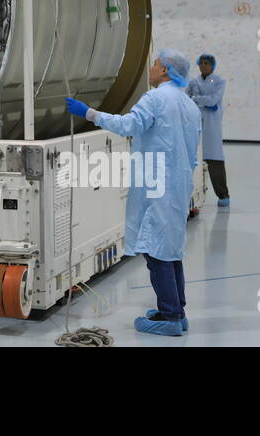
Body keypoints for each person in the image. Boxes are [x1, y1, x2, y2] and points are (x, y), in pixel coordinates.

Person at [66, 49, 201, 337]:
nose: (150, 68)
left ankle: (170, 317)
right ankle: (177, 311)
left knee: (157, 252)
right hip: (178, 184)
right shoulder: (189, 105)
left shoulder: (155, 99)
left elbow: (128, 125)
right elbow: (190, 154)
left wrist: (88, 112)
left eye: (154, 64)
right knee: (171, 249)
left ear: (164, 70)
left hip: (157, 185)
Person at [187, 53, 229, 206]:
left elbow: (213, 100)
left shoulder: (219, 81)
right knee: (193, 158)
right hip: (196, 123)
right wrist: (203, 101)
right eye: (201, 63)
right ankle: (189, 194)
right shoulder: (193, 81)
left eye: (206, 63)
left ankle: (223, 195)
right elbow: (186, 99)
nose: (203, 66)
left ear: (212, 65)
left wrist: (197, 99)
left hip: (212, 125)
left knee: (214, 159)